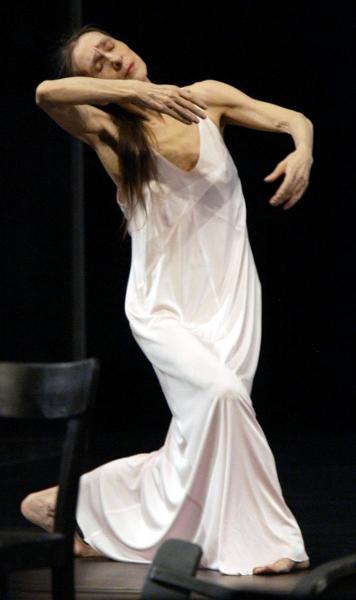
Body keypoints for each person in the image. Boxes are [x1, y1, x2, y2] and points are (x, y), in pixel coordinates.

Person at [21, 24, 314, 576]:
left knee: (201, 430)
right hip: (162, 305)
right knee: (224, 398)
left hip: (230, 296)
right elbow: (44, 94)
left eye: (109, 46)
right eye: (97, 64)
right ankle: (271, 541)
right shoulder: (108, 127)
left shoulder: (204, 98)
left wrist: (303, 151)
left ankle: (69, 502)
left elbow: (290, 118)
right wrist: (135, 95)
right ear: (94, 84)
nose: (112, 59)